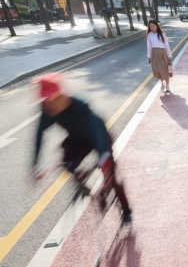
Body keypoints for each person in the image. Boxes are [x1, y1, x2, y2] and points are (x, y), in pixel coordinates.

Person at [31, 73, 132, 224]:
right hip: (77, 140)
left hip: (98, 136)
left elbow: (97, 131)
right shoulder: (47, 111)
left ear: (62, 96)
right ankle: (85, 185)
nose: (50, 107)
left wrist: (104, 156)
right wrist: (35, 164)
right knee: (67, 162)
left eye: (53, 101)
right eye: (46, 102)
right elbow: (39, 135)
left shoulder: (79, 106)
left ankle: (126, 210)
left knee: (110, 172)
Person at [146, 19, 172, 93]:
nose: (152, 28)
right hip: (154, 53)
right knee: (157, 70)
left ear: (157, 26)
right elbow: (149, 46)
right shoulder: (149, 35)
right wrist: (149, 56)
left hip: (162, 52)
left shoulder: (162, 34)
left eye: (153, 26)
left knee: (166, 70)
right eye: (151, 27)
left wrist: (169, 55)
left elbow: (166, 45)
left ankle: (167, 85)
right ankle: (162, 83)